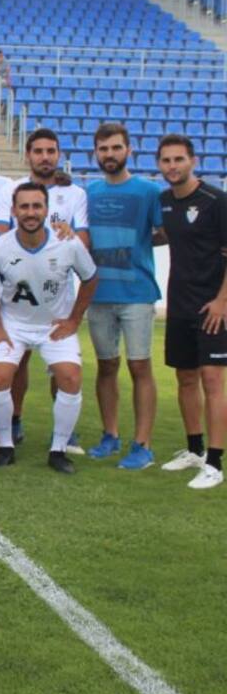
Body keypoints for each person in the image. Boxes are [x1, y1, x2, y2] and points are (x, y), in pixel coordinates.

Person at [0, 182, 98, 473]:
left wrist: (74, 319)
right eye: (24, 206)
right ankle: (5, 445)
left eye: (37, 206)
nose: (30, 212)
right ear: (13, 211)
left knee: (70, 377)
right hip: (13, 324)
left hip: (53, 325)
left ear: (47, 210)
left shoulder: (68, 243)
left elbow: (91, 278)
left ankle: (58, 450)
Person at [0, 127, 89, 446]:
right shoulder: (11, 189)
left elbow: (82, 242)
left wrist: (66, 235)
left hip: (56, 301)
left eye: (51, 151)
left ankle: (64, 433)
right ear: (28, 155)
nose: (45, 157)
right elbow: (0, 235)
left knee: (62, 370)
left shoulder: (75, 193)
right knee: (14, 365)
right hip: (16, 299)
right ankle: (14, 420)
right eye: (38, 151)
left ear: (59, 155)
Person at [84, 123, 163, 469]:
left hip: (137, 293)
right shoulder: (89, 192)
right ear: (96, 153)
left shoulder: (149, 191)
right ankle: (110, 435)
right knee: (106, 365)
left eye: (116, 148)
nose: (110, 154)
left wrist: (137, 246)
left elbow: (164, 232)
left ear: (129, 150)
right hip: (99, 293)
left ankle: (142, 444)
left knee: (139, 365)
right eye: (103, 149)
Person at [155, 134, 227, 490]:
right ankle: (194, 449)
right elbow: (164, 236)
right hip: (180, 303)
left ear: (193, 161)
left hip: (213, 306)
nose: (172, 166)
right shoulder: (165, 201)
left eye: (178, 159)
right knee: (185, 378)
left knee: (212, 380)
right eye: (166, 160)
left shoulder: (216, 201)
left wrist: (222, 301)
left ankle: (215, 463)